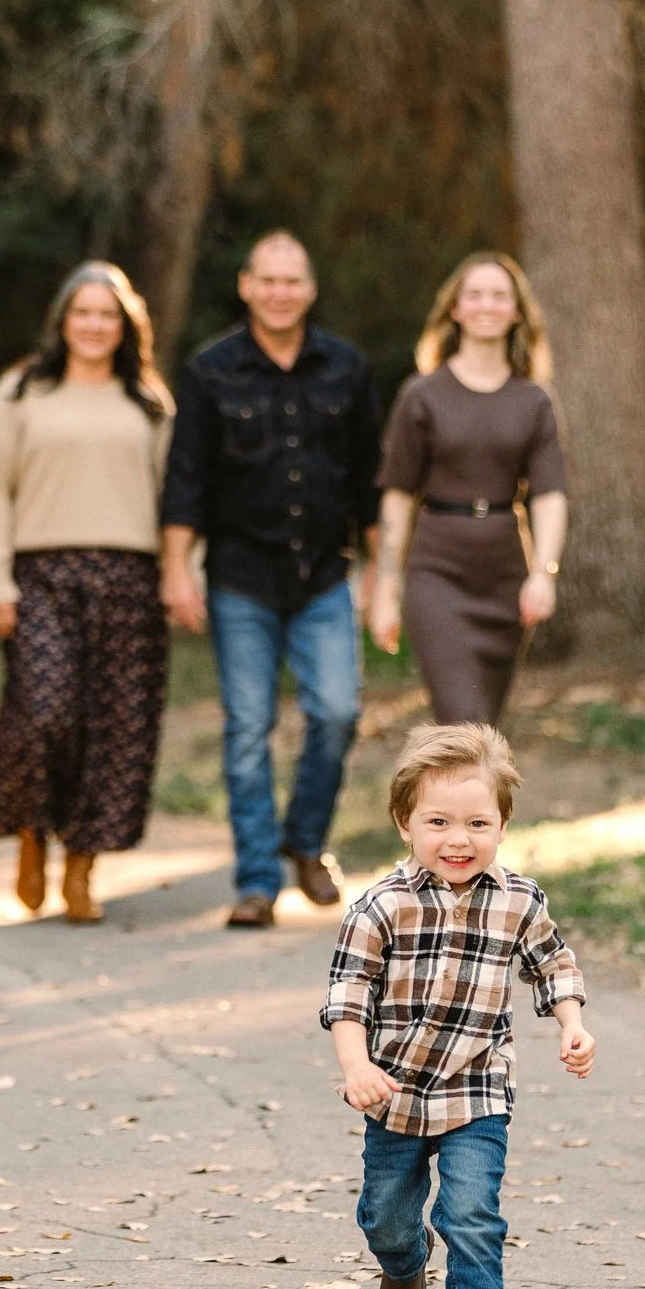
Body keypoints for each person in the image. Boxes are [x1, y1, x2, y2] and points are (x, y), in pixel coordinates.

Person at [320, 723, 593, 1289]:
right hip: (394, 1093)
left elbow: (552, 965)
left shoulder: (518, 901)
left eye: (478, 821)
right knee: (386, 1214)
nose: (458, 838)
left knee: (472, 1211)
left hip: (477, 1092)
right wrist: (356, 1067)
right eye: (438, 821)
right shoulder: (381, 906)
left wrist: (573, 1026)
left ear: (503, 825)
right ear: (405, 823)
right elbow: (347, 994)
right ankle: (405, 1266)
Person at [160, 231, 383, 930]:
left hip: (325, 577)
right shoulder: (209, 372)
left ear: (310, 289)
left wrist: (382, 569)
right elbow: (185, 481)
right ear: (246, 286)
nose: (281, 291)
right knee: (248, 727)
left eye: (294, 280)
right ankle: (257, 879)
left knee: (339, 711)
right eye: (269, 279)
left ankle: (305, 839)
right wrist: (176, 569)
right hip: (240, 578)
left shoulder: (346, 368)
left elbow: (371, 483)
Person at [0, 262, 174, 924]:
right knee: (45, 714)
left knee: (114, 729)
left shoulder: (148, 401)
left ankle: (83, 865)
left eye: (107, 314)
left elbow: (178, 498)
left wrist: (179, 570)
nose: (94, 325)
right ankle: (32, 834)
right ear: (63, 320)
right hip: (42, 578)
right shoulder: (23, 390)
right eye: (82, 312)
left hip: (130, 582)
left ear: (126, 326)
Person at [366, 253, 570, 726]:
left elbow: (549, 494)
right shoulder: (421, 395)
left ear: (517, 312)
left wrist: (544, 573)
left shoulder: (535, 401)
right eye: (474, 294)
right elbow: (396, 495)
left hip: (504, 576)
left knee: (486, 729)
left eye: (500, 295)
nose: (487, 305)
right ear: (454, 310)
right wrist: (387, 587)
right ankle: (442, 801)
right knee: (461, 720)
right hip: (438, 573)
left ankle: (471, 804)